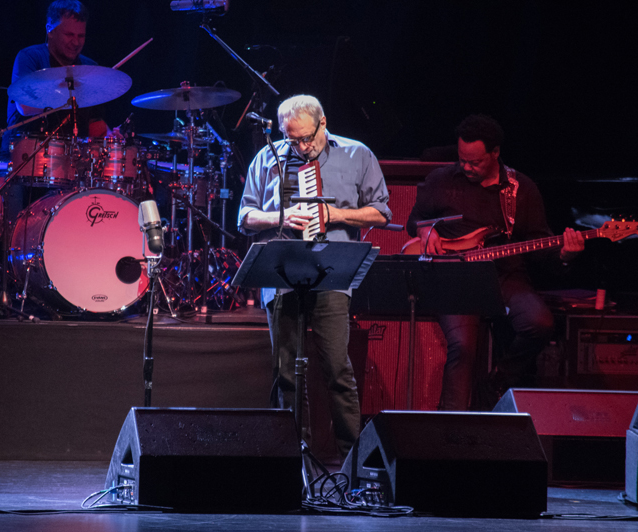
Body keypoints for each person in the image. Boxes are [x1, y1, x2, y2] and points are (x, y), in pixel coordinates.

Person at [238, 95, 392, 459]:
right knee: (285, 373)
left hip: (332, 273)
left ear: (323, 122)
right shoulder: (268, 158)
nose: (301, 147)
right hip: (281, 273)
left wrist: (335, 215)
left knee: (337, 369)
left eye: (306, 138)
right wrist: (280, 216)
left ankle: (352, 460)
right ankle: (294, 459)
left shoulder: (357, 154)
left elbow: (381, 213)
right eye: (291, 139)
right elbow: (245, 217)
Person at [406, 114, 584, 411]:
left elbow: (540, 247)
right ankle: (449, 427)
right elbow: (414, 221)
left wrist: (565, 255)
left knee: (540, 323)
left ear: (495, 153)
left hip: (504, 275)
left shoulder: (521, 188)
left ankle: (498, 381)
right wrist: (426, 230)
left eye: (475, 162)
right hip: (455, 277)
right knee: (463, 348)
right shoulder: (441, 180)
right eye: (462, 159)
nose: (466, 167)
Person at [3, 0, 108, 156]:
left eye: (81, 36)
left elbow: (95, 124)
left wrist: (110, 137)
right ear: (50, 31)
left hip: (71, 158)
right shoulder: (30, 58)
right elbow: (25, 106)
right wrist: (70, 93)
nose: (76, 42)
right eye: (69, 35)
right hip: (25, 156)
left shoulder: (89, 68)